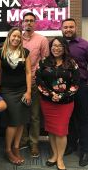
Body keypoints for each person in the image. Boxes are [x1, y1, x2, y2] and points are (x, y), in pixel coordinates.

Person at [0, 27, 31, 165]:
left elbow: (28, 73)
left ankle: (16, 147)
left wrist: (29, 91)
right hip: (8, 91)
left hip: (22, 90)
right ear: (9, 37)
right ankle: (7, 150)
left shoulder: (25, 52)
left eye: (19, 37)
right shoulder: (0, 53)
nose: (16, 38)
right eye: (14, 36)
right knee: (13, 121)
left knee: (21, 121)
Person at [61, 18, 88, 167]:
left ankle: (85, 150)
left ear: (75, 28)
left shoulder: (85, 45)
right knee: (68, 118)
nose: (68, 29)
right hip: (63, 88)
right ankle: (71, 145)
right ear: (62, 29)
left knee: (83, 118)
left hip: (80, 87)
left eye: (71, 27)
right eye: (65, 27)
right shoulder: (59, 45)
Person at [36, 37, 80, 170]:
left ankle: (60, 158)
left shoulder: (72, 63)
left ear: (64, 48)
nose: (56, 48)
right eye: (54, 46)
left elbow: (76, 84)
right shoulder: (44, 62)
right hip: (48, 102)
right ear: (50, 47)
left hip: (65, 103)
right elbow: (39, 81)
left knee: (61, 131)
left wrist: (61, 95)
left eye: (60, 46)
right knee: (51, 130)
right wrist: (51, 94)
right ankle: (54, 155)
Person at [20, 12, 49, 157]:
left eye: (31, 21)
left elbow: (45, 61)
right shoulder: (17, 38)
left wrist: (37, 72)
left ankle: (34, 144)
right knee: (21, 114)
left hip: (34, 83)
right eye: (26, 21)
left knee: (35, 115)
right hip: (19, 83)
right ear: (22, 23)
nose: (29, 23)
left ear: (35, 23)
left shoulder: (42, 40)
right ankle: (23, 140)